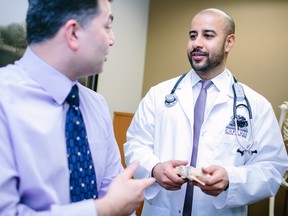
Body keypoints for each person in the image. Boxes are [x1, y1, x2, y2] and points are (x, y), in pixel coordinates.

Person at [124, 8, 288, 216]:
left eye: (208, 35)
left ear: (229, 42)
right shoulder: (158, 95)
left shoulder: (255, 105)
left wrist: (231, 179)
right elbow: (135, 145)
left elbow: (272, 168)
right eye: (193, 35)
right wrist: (155, 167)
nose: (196, 43)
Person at [0, 0, 155, 215]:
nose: (113, 39)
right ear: (73, 33)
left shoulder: (97, 105)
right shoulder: (3, 101)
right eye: (107, 26)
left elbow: (113, 188)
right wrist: (105, 209)